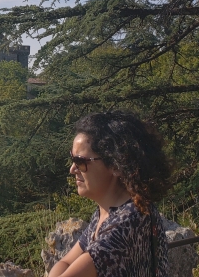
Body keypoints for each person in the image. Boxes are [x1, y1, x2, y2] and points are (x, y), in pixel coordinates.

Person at [48, 111, 172, 277]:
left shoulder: (128, 222)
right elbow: (66, 262)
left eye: (81, 161)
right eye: (73, 159)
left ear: (115, 165)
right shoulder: (108, 213)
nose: (72, 169)